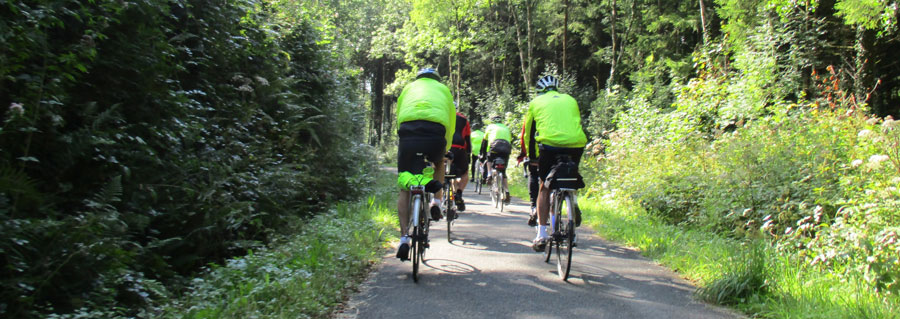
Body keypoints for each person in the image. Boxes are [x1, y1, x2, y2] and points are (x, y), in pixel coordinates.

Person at [395, 68, 456, 260]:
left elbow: (399, 117)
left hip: (408, 133)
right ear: (436, 79)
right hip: (435, 133)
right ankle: (436, 201)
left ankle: (404, 238)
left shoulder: (408, 88)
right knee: (438, 164)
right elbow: (451, 122)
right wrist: (445, 147)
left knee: (405, 187)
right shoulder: (443, 90)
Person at [522, 75, 587, 252]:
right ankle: (572, 204)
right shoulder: (571, 100)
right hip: (576, 144)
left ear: (540, 90)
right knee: (570, 176)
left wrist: (532, 157)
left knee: (544, 186)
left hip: (549, 145)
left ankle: (541, 234)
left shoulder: (536, 102)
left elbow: (530, 132)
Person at [480, 117, 513, 204]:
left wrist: (482, 154)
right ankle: (507, 191)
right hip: (506, 149)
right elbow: (510, 141)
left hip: (494, 147)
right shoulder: (506, 128)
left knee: (489, 158)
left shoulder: (490, 127)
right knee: (503, 171)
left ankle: (489, 174)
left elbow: (484, 142)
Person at [448, 110, 472, 212]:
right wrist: (468, 153)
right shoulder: (463, 119)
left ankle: (439, 198)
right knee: (464, 173)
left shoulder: (443, 115)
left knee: (444, 172)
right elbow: (467, 138)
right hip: (459, 147)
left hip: (446, 147)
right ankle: (458, 193)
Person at [516, 124, 540, 225]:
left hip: (542, 149)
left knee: (534, 174)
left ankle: (535, 206)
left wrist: (524, 154)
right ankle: (573, 202)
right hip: (574, 146)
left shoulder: (534, 109)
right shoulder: (571, 107)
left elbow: (526, 135)